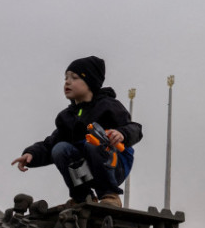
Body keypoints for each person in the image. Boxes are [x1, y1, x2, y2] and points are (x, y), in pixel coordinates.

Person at [11, 56, 142, 207]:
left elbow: (135, 128)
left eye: (74, 78)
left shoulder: (108, 106)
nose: (67, 82)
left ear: (90, 82)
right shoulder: (67, 117)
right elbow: (51, 143)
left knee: (92, 143)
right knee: (60, 149)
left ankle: (109, 194)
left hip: (114, 164)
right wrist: (32, 154)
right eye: (66, 78)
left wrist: (122, 134)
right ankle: (82, 196)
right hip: (86, 167)